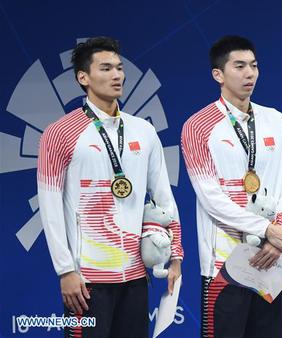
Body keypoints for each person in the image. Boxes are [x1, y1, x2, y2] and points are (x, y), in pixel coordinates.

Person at [37, 37, 183, 338]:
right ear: (83, 77)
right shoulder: (59, 134)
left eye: (119, 68)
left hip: (135, 276)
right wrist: (65, 270)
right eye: (105, 68)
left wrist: (176, 257)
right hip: (86, 280)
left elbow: (164, 200)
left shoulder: (143, 131)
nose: (117, 75)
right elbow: (49, 207)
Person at [181, 35, 282, 338]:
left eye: (254, 66)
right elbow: (210, 198)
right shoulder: (197, 126)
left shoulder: (277, 120)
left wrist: (278, 237)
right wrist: (267, 229)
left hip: (270, 261)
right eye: (240, 66)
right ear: (218, 74)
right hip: (223, 265)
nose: (250, 73)